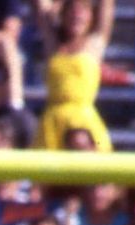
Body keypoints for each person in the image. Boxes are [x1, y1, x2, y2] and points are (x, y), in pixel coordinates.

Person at [35, 0, 115, 151]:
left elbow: (107, 5)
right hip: (52, 123)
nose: (77, 15)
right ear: (63, 15)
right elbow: (41, 6)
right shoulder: (53, 45)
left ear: (91, 16)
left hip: (84, 120)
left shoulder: (95, 43)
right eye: (71, 10)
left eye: (83, 10)